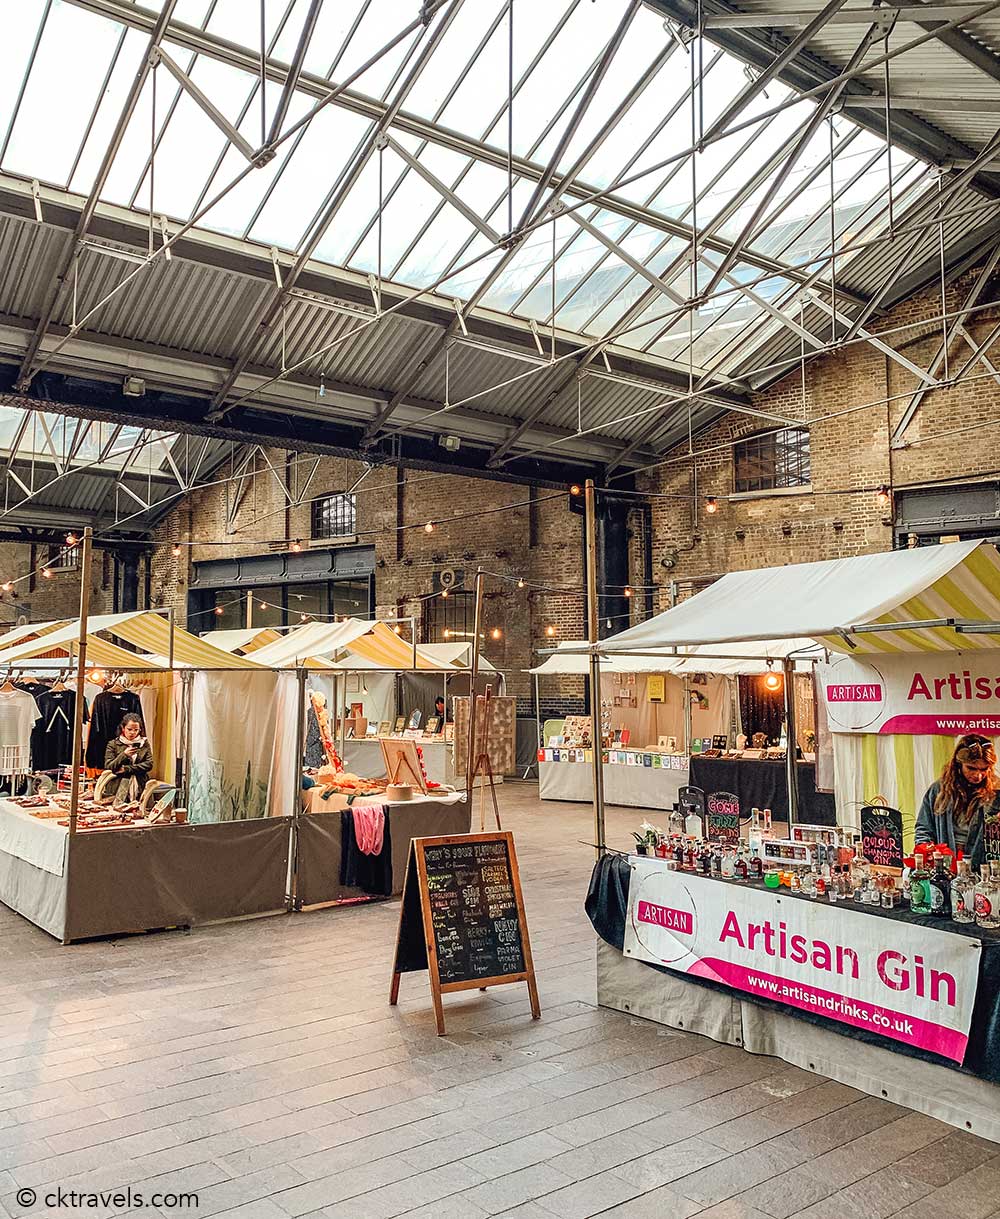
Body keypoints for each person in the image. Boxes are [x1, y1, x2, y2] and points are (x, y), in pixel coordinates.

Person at [915, 734, 1000, 865]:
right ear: (958, 764)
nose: (978, 775)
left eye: (984, 769)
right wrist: (927, 852)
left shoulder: (996, 792)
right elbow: (923, 828)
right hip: (945, 865)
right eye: (971, 768)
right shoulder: (939, 790)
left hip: (983, 867)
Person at [103, 713, 153, 802]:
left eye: (136, 730)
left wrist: (127, 769)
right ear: (123, 728)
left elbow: (149, 764)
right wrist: (124, 755)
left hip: (140, 784)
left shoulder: (144, 743)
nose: (132, 733)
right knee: (117, 812)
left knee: (140, 812)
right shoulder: (113, 744)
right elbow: (109, 766)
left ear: (140, 730)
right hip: (117, 785)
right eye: (129, 729)